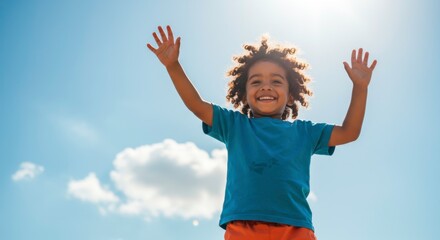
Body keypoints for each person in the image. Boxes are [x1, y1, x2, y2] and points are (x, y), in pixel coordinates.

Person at [147, 25, 377, 240]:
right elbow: (197, 105)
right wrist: (173, 66)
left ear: (291, 93)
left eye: (276, 81)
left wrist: (360, 88)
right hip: (243, 227)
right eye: (256, 82)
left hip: (295, 228)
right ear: (243, 92)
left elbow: (349, 132)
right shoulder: (234, 126)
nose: (266, 87)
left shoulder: (305, 133)